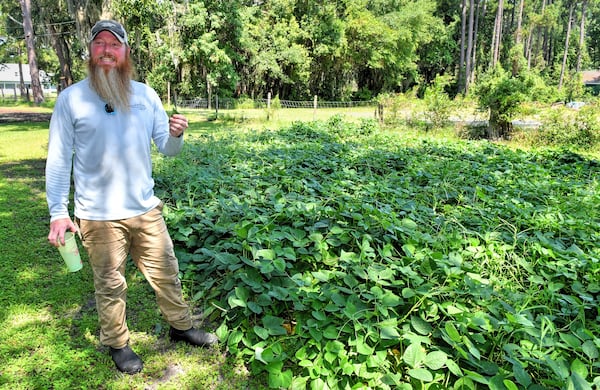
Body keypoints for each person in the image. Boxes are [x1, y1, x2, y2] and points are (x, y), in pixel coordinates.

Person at [45, 19, 217, 375]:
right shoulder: (71, 99)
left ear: (125, 53)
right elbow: (59, 159)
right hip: (97, 215)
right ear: (91, 52)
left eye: (115, 44)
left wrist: (177, 134)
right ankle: (118, 343)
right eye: (99, 44)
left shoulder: (144, 95)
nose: (107, 50)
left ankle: (181, 327)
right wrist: (58, 212)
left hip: (145, 208)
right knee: (109, 283)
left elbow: (167, 149)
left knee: (167, 272)